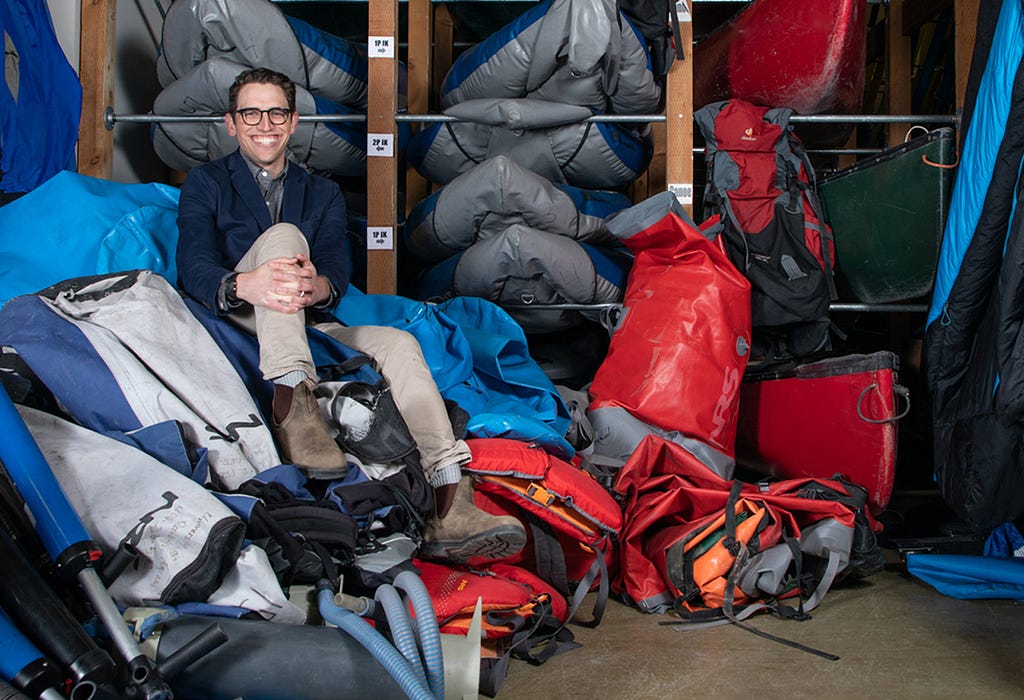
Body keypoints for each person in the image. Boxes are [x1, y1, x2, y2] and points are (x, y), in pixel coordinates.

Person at [176, 67, 525, 563]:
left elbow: (336, 267)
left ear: (293, 122)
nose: (265, 124)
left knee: (399, 345)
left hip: (310, 322)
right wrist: (244, 284)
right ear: (231, 123)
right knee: (283, 240)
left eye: (276, 112)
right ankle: (295, 407)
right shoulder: (206, 182)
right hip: (238, 320)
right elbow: (191, 264)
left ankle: (450, 500)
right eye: (251, 113)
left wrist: (318, 285)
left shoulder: (322, 192)